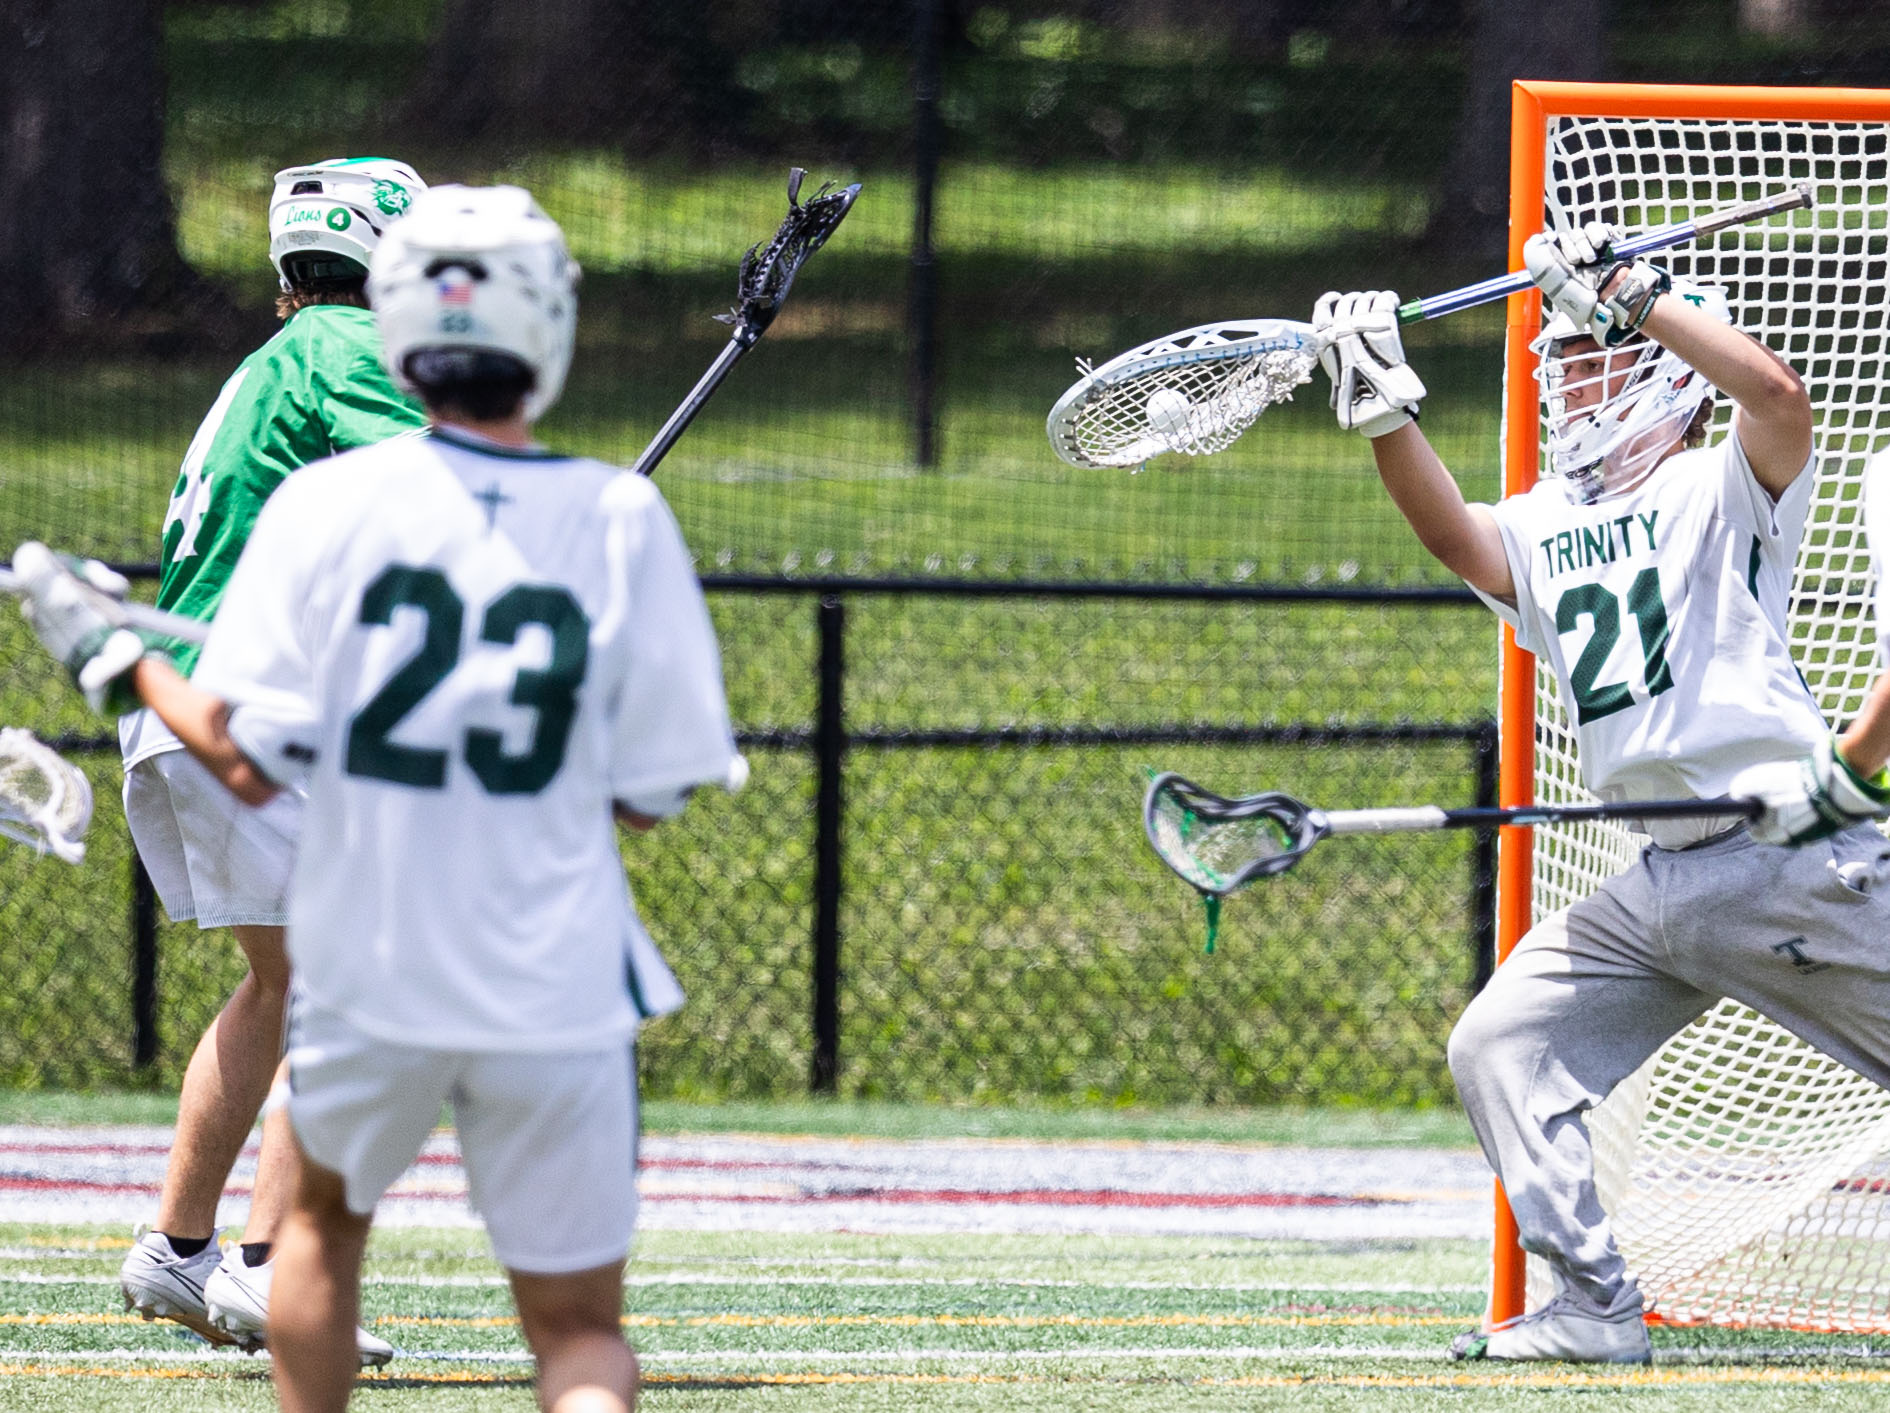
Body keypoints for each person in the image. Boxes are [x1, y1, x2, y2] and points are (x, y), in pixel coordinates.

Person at [15, 181, 739, 1413]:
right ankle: (240, 1256)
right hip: (545, 957)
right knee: (572, 1327)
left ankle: (189, 1248)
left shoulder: (304, 424)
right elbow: (646, 787)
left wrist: (104, 653)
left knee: (288, 1004)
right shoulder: (582, 499)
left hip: (217, 729)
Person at [1311, 222, 1890, 1363]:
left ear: (1657, 365)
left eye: (1593, 355)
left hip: (1794, 862)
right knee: (1500, 1046)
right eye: (1562, 362)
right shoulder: (1543, 520)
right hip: (1661, 886)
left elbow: (1777, 395)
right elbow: (1459, 539)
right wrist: (1386, 415)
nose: (1569, 378)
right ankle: (1593, 1308)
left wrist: (1636, 288)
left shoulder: (1717, 487)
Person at [116, 156, 428, 1365]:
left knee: (284, 980)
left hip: (193, 703)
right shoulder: (346, 348)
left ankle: (179, 1247)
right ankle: (268, 1267)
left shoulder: (276, 360)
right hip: (247, 709)